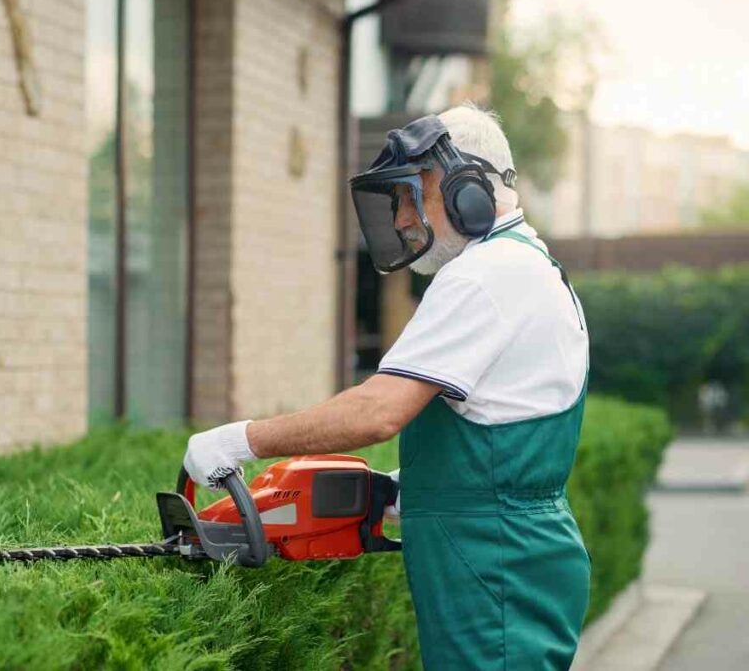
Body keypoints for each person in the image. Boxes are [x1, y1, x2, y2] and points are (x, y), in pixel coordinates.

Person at [184, 104, 591, 670]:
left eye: (407, 195)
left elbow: (379, 411)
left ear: (465, 187)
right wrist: (417, 486)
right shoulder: (528, 265)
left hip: (491, 560)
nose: (400, 219)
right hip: (509, 549)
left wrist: (240, 440)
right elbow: (509, 419)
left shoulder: (482, 276)